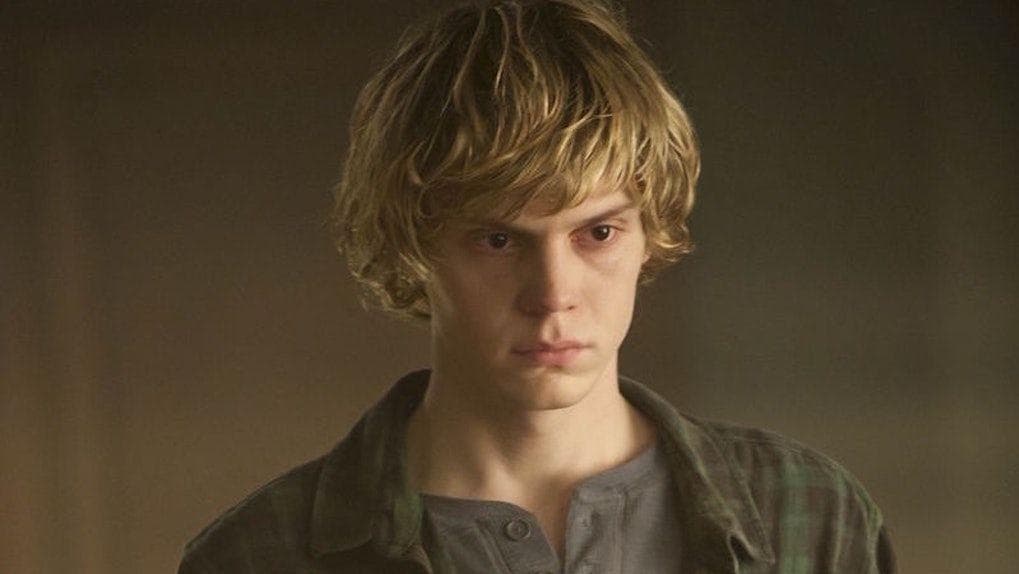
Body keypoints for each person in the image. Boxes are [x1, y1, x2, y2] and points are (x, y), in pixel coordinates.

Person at [179, 0, 894, 572]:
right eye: (497, 240)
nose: (553, 293)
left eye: (598, 233)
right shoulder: (258, 557)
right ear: (412, 244)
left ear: (649, 232)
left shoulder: (810, 518)